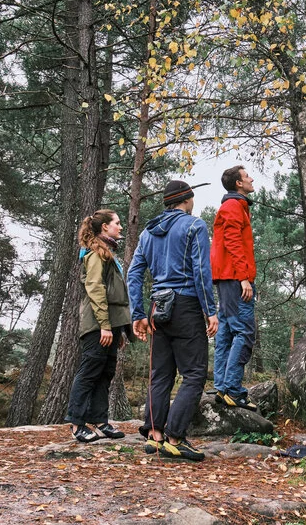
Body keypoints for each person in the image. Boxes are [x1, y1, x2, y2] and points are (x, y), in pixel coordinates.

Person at [127, 180, 218, 462]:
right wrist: (210, 310)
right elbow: (202, 271)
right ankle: (175, 438)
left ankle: (155, 437)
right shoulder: (195, 225)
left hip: (158, 308)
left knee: (161, 374)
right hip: (186, 305)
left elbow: (133, 274)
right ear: (187, 200)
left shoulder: (148, 232)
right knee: (193, 374)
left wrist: (139, 314)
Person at [66, 209, 133, 443]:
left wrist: (119, 329)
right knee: (89, 372)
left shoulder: (109, 253)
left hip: (110, 325)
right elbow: (95, 288)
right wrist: (105, 325)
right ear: (105, 227)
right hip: (97, 325)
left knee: (106, 373)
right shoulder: (95, 253)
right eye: (117, 222)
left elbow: (116, 293)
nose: (121, 226)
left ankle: (100, 421)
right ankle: (77, 424)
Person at [210, 166, 259, 412]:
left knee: (228, 330)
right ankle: (232, 389)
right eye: (247, 176)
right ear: (238, 183)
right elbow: (232, 242)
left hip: (227, 277)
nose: (251, 178)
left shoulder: (234, 206)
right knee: (244, 332)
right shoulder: (232, 207)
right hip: (234, 278)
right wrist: (243, 277)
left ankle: (222, 387)